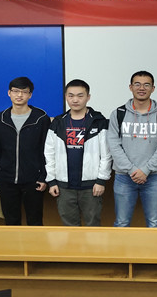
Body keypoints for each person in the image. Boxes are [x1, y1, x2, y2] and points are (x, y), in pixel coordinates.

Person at [107, 70, 157, 227]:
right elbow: (114, 145)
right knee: (121, 223)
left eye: (146, 85)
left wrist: (146, 170)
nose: (141, 88)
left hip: (154, 178)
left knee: (154, 223)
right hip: (124, 177)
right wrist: (131, 170)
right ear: (130, 87)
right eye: (137, 84)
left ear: (153, 88)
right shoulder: (118, 114)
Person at [44, 79, 112, 226]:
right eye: (71, 95)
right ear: (66, 97)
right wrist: (52, 181)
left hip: (91, 186)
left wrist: (101, 180)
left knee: (93, 226)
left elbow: (106, 155)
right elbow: (49, 153)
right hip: (64, 186)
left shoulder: (99, 122)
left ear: (88, 97)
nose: (75, 100)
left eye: (80, 96)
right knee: (69, 227)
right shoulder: (58, 122)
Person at [0, 77, 50, 226]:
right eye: (16, 91)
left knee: (35, 221)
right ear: (9, 93)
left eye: (24, 92)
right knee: (11, 221)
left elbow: (46, 150)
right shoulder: (0, 119)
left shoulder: (41, 118)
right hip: (7, 179)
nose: (19, 95)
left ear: (30, 95)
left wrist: (44, 177)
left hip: (34, 179)